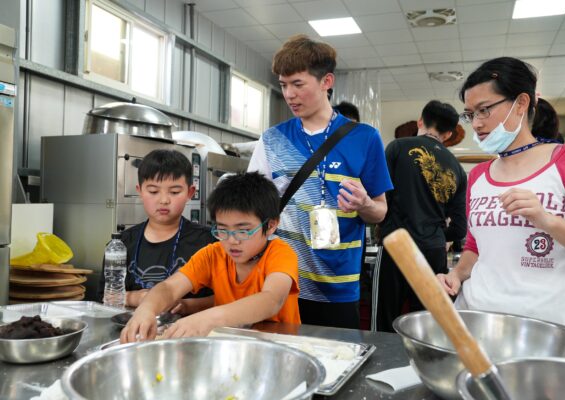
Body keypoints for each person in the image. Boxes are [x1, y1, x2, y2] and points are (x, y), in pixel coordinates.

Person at [436, 57, 565, 332]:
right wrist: (456, 274)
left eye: (484, 110)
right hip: (476, 321)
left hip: (545, 330)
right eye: (469, 114)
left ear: (521, 104)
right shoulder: (478, 176)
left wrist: (546, 220)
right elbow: (476, 247)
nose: (475, 124)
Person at [248, 34, 393, 329]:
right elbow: (252, 207)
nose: (289, 94)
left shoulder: (364, 138)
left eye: (298, 84)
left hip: (338, 286)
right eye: (283, 85)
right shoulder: (273, 139)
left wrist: (364, 203)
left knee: (338, 361)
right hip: (282, 281)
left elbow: (380, 211)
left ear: (326, 81)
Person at [120, 172, 300, 342]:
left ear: (270, 225)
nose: (231, 241)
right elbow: (169, 287)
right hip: (229, 343)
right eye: (222, 230)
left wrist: (208, 318)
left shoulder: (280, 254)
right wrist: (146, 310)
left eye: (243, 231)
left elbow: (272, 300)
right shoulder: (213, 254)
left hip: (276, 344)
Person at [376, 100, 467, 332]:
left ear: (420, 121)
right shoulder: (456, 168)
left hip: (397, 246)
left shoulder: (397, 147)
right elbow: (459, 229)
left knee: (386, 320)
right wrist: (435, 232)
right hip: (434, 251)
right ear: (448, 134)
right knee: (426, 324)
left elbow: (380, 199)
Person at [97, 150, 215, 311]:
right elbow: (103, 295)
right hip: (130, 329)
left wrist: (186, 305)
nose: (164, 200)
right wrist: (135, 298)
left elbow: (225, 297)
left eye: (174, 192)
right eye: (153, 191)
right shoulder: (121, 244)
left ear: (190, 193)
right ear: (139, 191)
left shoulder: (208, 241)